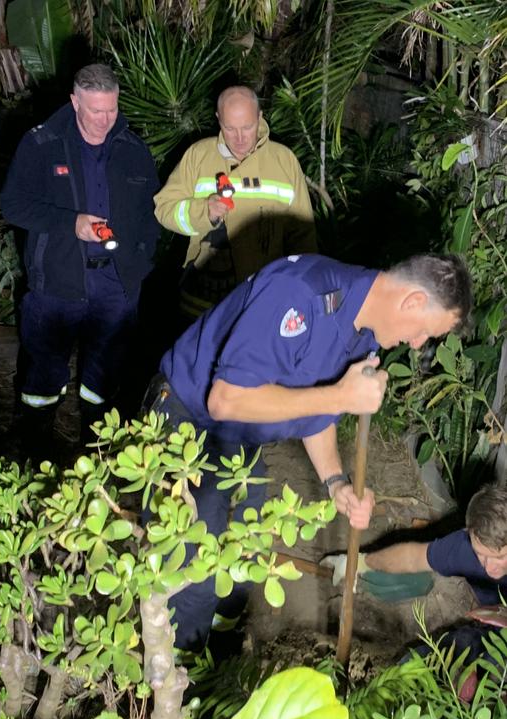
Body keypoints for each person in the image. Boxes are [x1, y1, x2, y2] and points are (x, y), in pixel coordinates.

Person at [142, 252, 473, 650]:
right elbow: (226, 400)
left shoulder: (365, 330)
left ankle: (219, 651)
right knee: (194, 571)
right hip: (186, 416)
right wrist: (340, 395)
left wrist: (336, 483)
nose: (418, 344)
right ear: (413, 302)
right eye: (424, 332)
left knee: (248, 552)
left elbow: (320, 412)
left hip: (239, 434)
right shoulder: (300, 294)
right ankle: (182, 673)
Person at [1, 64, 159, 442]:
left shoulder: (133, 149)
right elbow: (13, 205)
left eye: (112, 109)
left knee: (104, 381)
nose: (105, 120)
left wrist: (140, 262)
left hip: (116, 284)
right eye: (95, 110)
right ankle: (35, 452)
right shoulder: (42, 143)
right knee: (42, 378)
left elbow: (151, 213)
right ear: (74, 102)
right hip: (58, 280)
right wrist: (71, 224)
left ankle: (95, 457)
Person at [154, 86, 317, 321]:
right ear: (218, 119)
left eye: (247, 127)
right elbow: (163, 208)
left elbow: (303, 233)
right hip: (201, 300)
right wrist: (203, 212)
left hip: (261, 300)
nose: (239, 139)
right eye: (229, 128)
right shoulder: (198, 156)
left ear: (260, 117)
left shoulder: (283, 160)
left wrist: (303, 289)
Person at [326, 483, 507, 606]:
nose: (489, 567)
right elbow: (412, 558)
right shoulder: (463, 546)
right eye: (481, 554)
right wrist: (361, 562)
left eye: (500, 557)